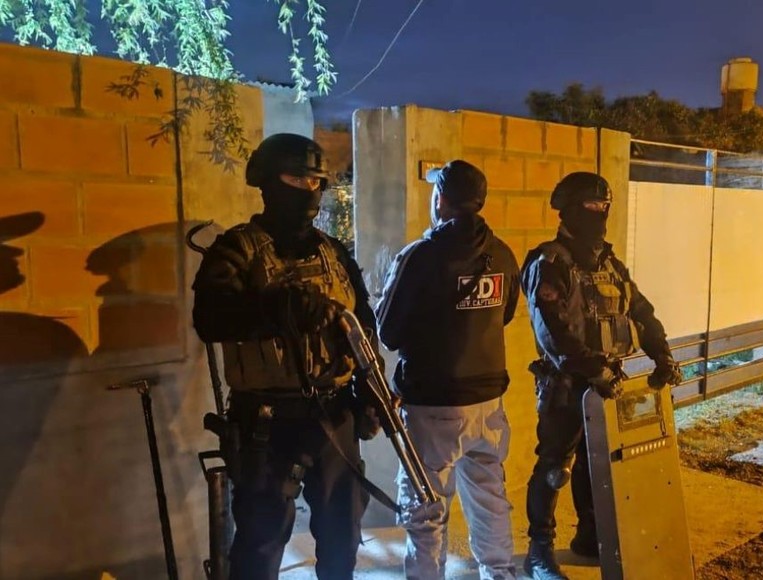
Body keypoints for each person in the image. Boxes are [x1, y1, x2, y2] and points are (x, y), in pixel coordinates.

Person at [191, 133, 381, 580]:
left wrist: (372, 392)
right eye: (296, 178)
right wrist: (276, 309)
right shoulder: (236, 249)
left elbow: (363, 325)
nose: (309, 189)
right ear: (267, 182)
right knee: (260, 543)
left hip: (335, 416)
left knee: (342, 537)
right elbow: (210, 320)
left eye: (316, 180)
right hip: (266, 423)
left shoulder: (333, 252)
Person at [521, 172, 682, 580]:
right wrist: (593, 368)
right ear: (569, 209)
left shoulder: (610, 263)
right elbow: (552, 329)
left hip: (608, 383)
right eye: (591, 207)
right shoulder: (550, 262)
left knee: (601, 467)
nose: (599, 214)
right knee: (556, 467)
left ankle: (591, 537)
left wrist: (662, 355)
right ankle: (539, 552)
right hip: (567, 384)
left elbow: (640, 312)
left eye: (604, 207)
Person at [376, 160, 521, 580]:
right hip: (489, 403)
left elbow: (388, 332)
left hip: (434, 407)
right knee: (491, 499)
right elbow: (505, 314)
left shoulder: (420, 256)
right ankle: (499, 573)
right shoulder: (503, 252)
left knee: (425, 509)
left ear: (439, 200)